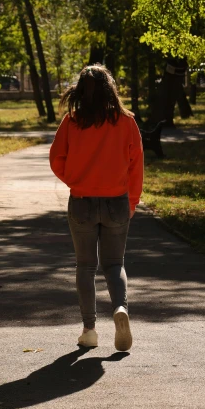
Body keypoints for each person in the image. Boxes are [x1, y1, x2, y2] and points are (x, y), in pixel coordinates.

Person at [49, 64, 143, 351]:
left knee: (85, 266)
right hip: (116, 202)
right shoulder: (127, 122)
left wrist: (76, 180)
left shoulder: (72, 121)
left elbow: (56, 159)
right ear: (110, 90)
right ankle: (120, 308)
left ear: (80, 91)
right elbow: (136, 165)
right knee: (115, 264)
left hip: (81, 203)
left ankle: (89, 329)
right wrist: (132, 201)